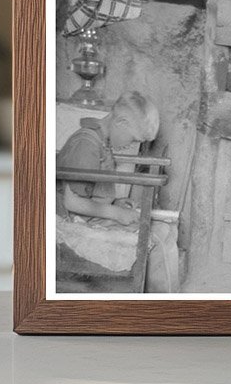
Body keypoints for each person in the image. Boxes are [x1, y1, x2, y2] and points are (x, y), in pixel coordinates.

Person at [57, 91, 179, 292]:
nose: (130, 145)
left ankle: (165, 299)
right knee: (156, 237)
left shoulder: (100, 141)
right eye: (133, 140)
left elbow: (90, 191)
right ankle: (164, 303)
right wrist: (116, 214)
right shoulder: (86, 144)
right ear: (121, 121)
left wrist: (116, 203)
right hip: (69, 222)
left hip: (86, 215)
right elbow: (72, 202)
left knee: (167, 230)